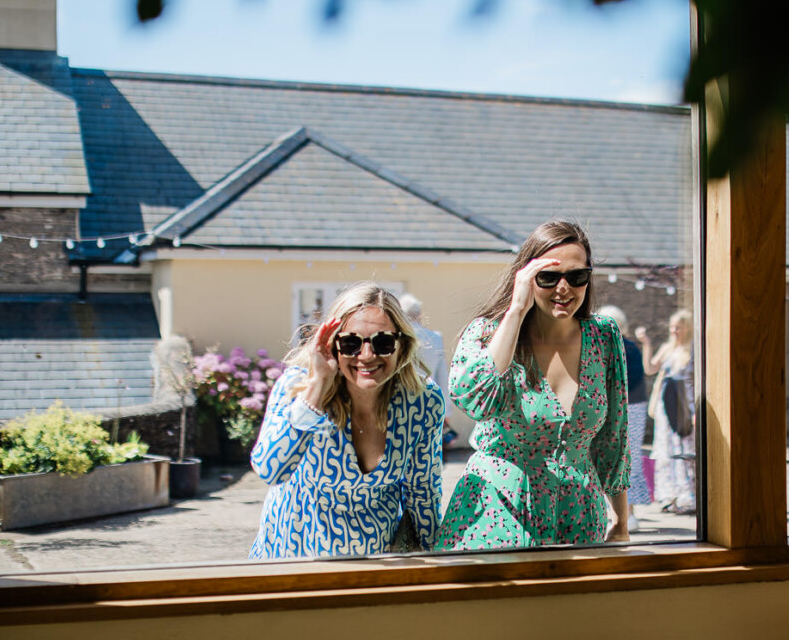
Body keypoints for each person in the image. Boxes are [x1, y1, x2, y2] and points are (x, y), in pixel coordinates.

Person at [437, 219, 630, 549]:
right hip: (496, 515)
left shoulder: (604, 336)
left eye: (576, 276)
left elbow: (614, 436)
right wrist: (515, 310)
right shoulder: (487, 334)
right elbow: (474, 400)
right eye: (548, 277)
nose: (563, 288)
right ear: (526, 278)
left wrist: (622, 521)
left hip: (579, 519)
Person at [249, 282, 445, 559]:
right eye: (351, 343)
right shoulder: (298, 386)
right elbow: (271, 470)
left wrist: (433, 558)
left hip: (374, 566)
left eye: (383, 342)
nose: (367, 355)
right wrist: (317, 387)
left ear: (402, 345)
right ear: (332, 345)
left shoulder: (422, 401)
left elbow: (422, 491)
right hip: (294, 559)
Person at [597, 305, 650, 533]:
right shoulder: (623, 347)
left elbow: (630, 381)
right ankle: (624, 514)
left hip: (628, 407)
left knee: (626, 459)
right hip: (628, 406)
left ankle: (627, 515)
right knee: (622, 458)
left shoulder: (623, 348)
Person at [646, 309, 695, 515]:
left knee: (684, 448)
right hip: (665, 406)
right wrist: (647, 344)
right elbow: (650, 369)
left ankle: (687, 496)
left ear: (687, 328)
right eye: (672, 326)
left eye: (679, 327)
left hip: (685, 404)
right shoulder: (667, 348)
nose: (674, 330)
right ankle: (667, 495)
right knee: (665, 450)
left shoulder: (692, 349)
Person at [401, 293, 458, 448]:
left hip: (400, 403)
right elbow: (442, 377)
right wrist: (446, 412)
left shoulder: (396, 338)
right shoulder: (435, 338)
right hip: (428, 402)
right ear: (419, 314)